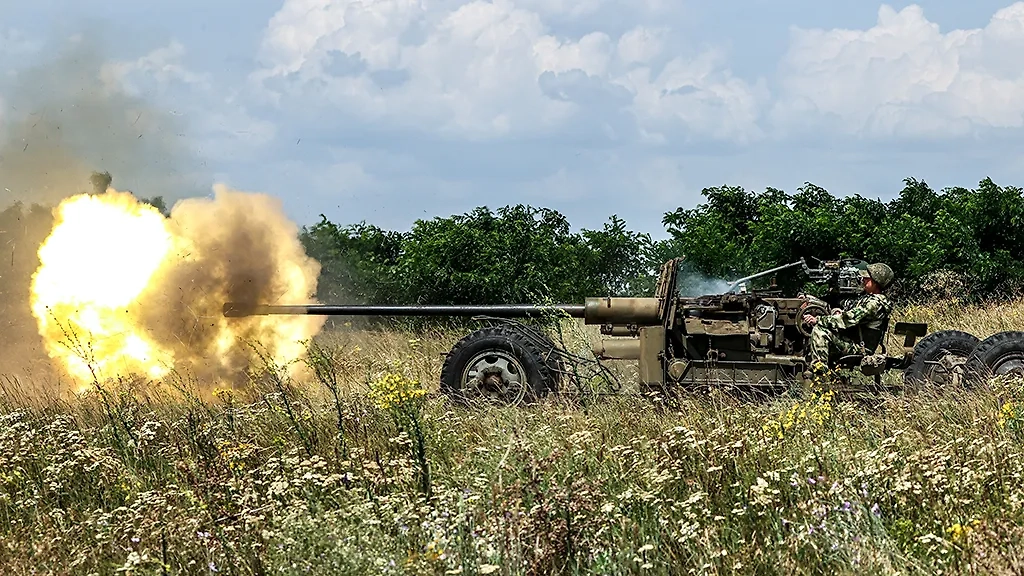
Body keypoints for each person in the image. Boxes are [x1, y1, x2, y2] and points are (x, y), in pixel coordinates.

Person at [803, 262, 895, 373]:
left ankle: (820, 375)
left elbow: (848, 319)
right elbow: (850, 313)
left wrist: (817, 319)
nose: (863, 279)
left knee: (820, 331)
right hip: (855, 343)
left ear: (876, 282)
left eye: (868, 278)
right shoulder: (870, 299)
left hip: (860, 349)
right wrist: (838, 312)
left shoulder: (874, 304)